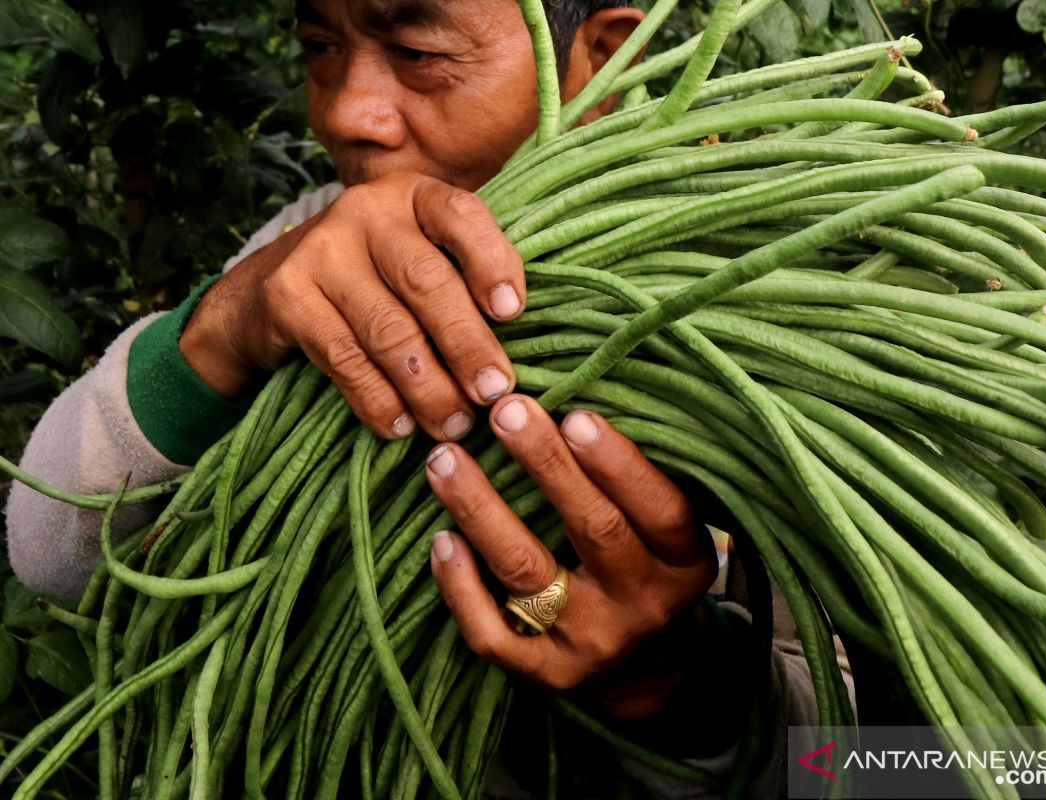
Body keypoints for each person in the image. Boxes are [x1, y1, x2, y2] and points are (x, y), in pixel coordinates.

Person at [6, 1, 852, 795]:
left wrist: (680, 689)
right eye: (319, 47)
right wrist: (226, 324)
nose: (344, 113)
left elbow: (932, 764)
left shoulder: (785, 321)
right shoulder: (320, 253)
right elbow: (53, 553)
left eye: (417, 52)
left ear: (601, 60)